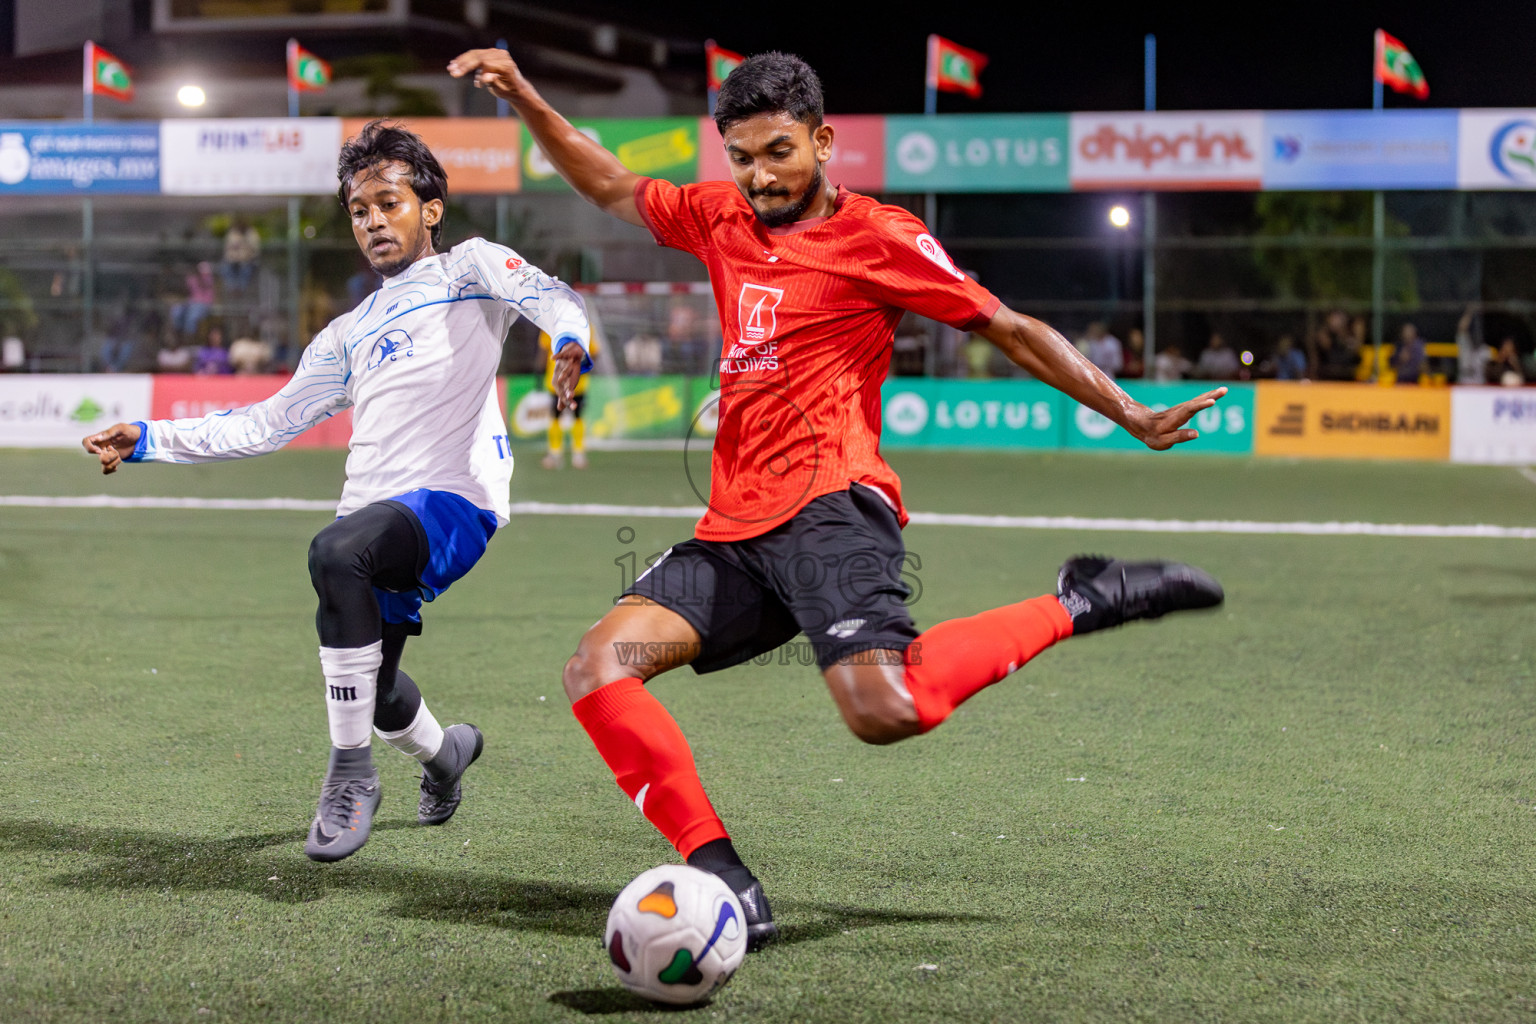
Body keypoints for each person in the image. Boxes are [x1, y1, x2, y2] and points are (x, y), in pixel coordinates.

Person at [449, 48, 1224, 948]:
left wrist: (1130, 412)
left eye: (778, 151)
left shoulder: (880, 236)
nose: (759, 175)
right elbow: (609, 179)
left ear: (821, 140)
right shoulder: (718, 217)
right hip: (734, 530)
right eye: (740, 156)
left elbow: (1007, 326)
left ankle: (1081, 598)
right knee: (596, 667)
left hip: (831, 507)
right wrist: (527, 97)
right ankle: (719, 872)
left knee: (886, 712)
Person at [83, 121, 592, 864]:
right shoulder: (347, 332)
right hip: (375, 515)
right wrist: (151, 439)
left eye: (389, 203)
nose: (373, 221)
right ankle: (446, 757)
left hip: (454, 501)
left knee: (335, 553)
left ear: (432, 208)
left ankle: (350, 778)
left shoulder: (469, 269)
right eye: (359, 211)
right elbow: (268, 422)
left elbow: (547, 295)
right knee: (378, 692)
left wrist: (568, 341)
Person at [539, 328, 597, 469]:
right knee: (555, 415)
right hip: (556, 383)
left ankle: (578, 453)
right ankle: (555, 453)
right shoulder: (549, 325)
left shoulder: (586, 325)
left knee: (577, 416)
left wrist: (583, 366)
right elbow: (543, 350)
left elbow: (593, 352)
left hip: (577, 383)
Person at [220, 217, 261, 295]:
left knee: (245, 268)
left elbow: (254, 249)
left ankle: (241, 289)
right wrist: (234, 256)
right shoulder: (232, 233)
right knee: (224, 267)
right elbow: (228, 248)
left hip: (247, 260)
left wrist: (245, 253)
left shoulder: (252, 234)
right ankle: (232, 288)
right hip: (232, 259)